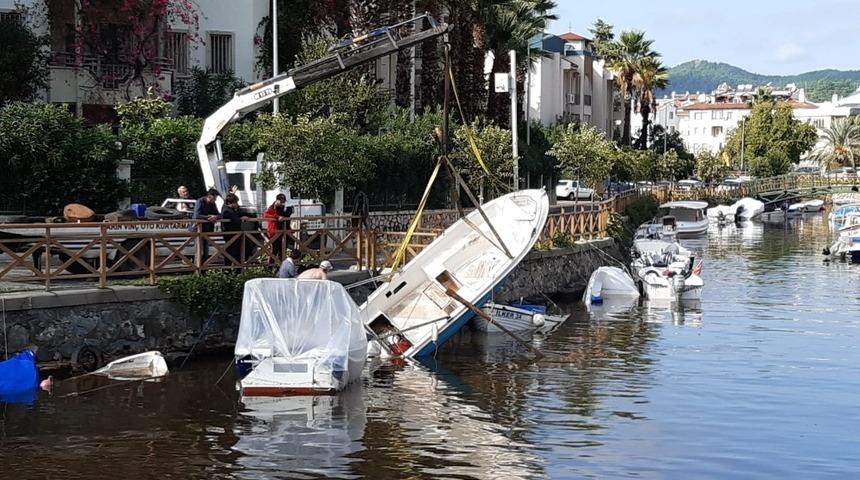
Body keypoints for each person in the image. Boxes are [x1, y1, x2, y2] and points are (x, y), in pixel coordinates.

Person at [192, 188, 221, 265]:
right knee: (199, 251)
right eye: (214, 198)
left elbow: (218, 214)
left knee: (206, 251)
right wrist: (208, 217)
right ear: (209, 196)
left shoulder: (213, 204)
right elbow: (196, 215)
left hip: (206, 230)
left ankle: (204, 268)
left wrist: (215, 217)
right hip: (197, 230)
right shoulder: (200, 202)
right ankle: (197, 268)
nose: (215, 200)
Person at [220, 193, 248, 268]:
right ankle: (228, 270)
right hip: (230, 234)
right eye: (235, 203)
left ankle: (236, 269)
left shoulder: (233, 210)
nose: (237, 204)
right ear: (230, 203)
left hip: (235, 234)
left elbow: (239, 214)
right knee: (230, 253)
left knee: (237, 252)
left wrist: (241, 215)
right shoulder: (227, 211)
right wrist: (241, 219)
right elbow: (235, 220)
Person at [263, 193, 294, 261]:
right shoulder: (272, 207)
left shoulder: (283, 207)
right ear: (277, 200)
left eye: (283, 202)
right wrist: (277, 217)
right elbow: (266, 215)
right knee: (275, 249)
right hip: (274, 231)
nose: (282, 203)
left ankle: (280, 265)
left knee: (283, 249)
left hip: (283, 230)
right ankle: (270, 267)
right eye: (281, 202)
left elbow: (285, 218)